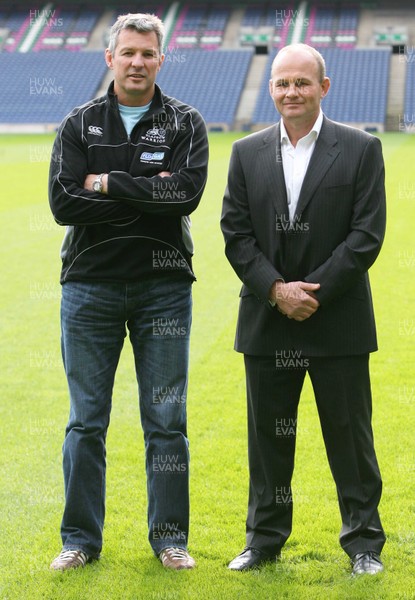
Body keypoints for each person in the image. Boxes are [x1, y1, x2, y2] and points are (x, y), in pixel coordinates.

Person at [48, 13, 208, 571]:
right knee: (85, 421)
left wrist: (108, 181)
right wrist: (147, 191)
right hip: (89, 287)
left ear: (161, 59)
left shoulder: (185, 122)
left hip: (164, 288)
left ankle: (169, 540)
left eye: (148, 53)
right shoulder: (79, 123)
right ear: (109, 58)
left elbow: (185, 196)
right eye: (128, 52)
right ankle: (79, 541)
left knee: (166, 421)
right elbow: (64, 204)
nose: (137, 62)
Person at [221, 43, 386, 576]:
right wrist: (277, 291)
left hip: (337, 320)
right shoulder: (246, 152)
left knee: (349, 436)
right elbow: (236, 232)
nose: (291, 92)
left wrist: (311, 294)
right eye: (281, 83)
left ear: (324, 87)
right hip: (269, 320)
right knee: (269, 438)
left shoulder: (362, 148)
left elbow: (366, 235)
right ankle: (264, 539)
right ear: (271, 88)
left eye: (302, 83)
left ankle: (364, 546)